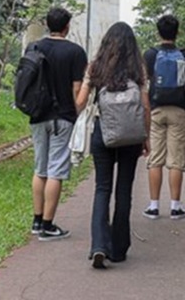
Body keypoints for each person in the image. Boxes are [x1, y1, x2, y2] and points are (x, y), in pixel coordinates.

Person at [75, 22, 151, 269]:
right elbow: (145, 105)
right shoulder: (137, 69)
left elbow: (81, 101)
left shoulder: (95, 67)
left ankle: (98, 245)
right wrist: (146, 136)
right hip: (130, 135)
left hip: (102, 132)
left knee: (102, 188)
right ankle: (118, 249)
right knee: (124, 190)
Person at [28, 7, 88, 241]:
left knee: (40, 168)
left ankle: (36, 220)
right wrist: (78, 112)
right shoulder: (75, 52)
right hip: (63, 116)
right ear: (67, 26)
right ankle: (48, 225)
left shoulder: (33, 47)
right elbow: (76, 88)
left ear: (47, 24)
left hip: (38, 114)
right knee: (56, 170)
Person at [142, 14, 185, 220]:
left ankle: (153, 206)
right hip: (178, 110)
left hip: (155, 110)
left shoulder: (150, 54)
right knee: (176, 159)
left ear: (158, 32)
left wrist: (144, 111)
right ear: (177, 32)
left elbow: (143, 86)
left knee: (155, 158)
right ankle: (175, 206)